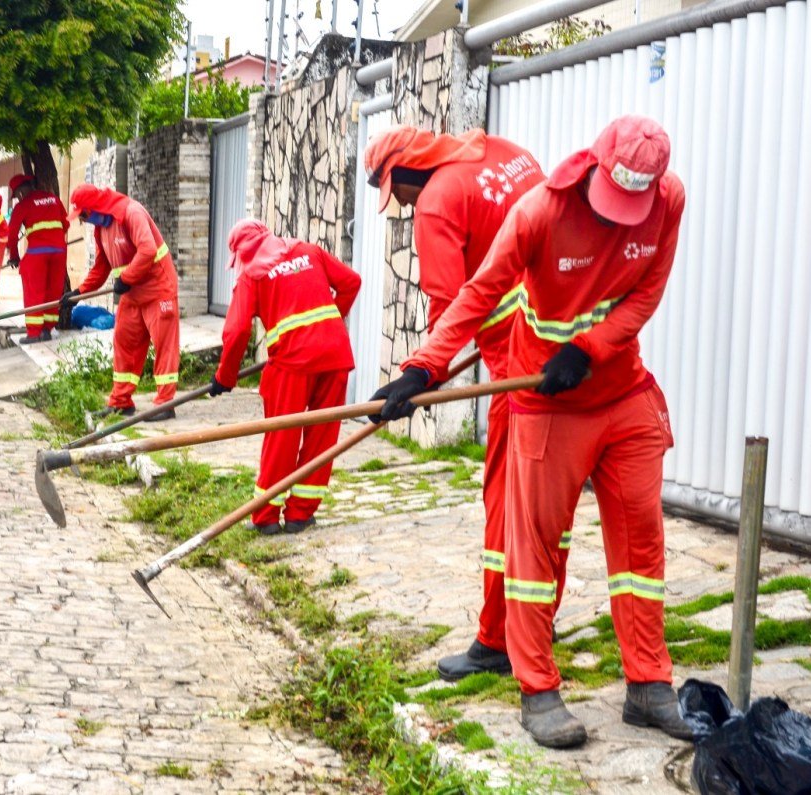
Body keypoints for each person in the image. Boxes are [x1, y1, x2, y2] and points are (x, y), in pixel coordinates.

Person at [371, 116, 690, 749]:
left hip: (621, 390)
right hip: (544, 399)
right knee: (535, 553)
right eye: (613, 203)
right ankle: (537, 689)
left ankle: (649, 684)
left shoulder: (668, 198)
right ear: (591, 168)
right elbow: (475, 293)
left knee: (641, 545)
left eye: (636, 205)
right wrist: (421, 367)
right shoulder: (539, 212)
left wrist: (592, 348)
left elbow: (647, 292)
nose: (624, 217)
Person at [364, 125, 544, 682]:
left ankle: (496, 640)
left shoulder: (437, 203)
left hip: (517, 364)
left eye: (400, 191)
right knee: (543, 501)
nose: (404, 204)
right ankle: (534, 619)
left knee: (506, 499)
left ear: (412, 170)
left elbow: (448, 304)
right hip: (562, 339)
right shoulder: (507, 151)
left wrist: (420, 376)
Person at [206, 220, 361, 534]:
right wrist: (331, 319)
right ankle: (300, 514)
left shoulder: (253, 273)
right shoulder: (308, 250)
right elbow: (351, 282)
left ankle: (265, 518)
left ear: (240, 253)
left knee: (281, 437)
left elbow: (237, 331)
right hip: (334, 355)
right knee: (322, 438)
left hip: (292, 363)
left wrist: (226, 376)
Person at [60, 184, 180, 419]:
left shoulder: (130, 213)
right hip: (132, 293)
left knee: (164, 345)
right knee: (124, 341)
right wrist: (78, 292)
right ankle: (121, 402)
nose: (83, 220)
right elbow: (102, 267)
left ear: (95, 208)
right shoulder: (101, 229)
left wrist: (126, 278)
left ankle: (165, 404)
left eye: (83, 214)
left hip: (158, 289)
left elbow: (147, 250)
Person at [6, 174, 68, 344]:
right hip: (59, 252)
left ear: (19, 192)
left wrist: (14, 257)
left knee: (34, 291)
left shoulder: (23, 205)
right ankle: (47, 330)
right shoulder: (53, 199)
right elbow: (66, 224)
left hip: (37, 254)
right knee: (52, 291)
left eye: (17, 194)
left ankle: (33, 333)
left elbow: (11, 236)